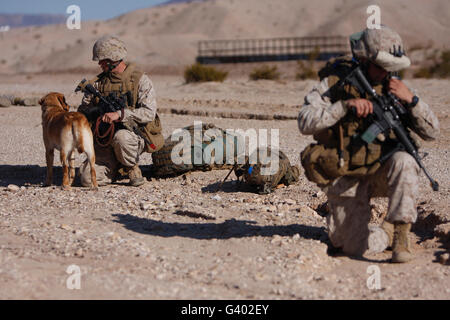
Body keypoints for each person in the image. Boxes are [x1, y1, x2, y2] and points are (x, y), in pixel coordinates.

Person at [297, 26, 440, 263]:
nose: (386, 73)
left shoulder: (396, 89)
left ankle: (401, 236)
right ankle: (385, 233)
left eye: (391, 68)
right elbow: (305, 121)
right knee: (350, 248)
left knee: (405, 160)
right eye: (380, 67)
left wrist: (412, 101)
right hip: (346, 175)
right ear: (363, 59)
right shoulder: (335, 84)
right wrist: (344, 107)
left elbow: (432, 132)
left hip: (380, 172)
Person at [77, 35, 164, 187]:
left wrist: (120, 115)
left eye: (102, 61)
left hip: (132, 136)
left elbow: (148, 112)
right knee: (86, 179)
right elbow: (82, 113)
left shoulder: (139, 80)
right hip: (104, 140)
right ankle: (114, 167)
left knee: (122, 137)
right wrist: (95, 112)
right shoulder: (96, 84)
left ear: (112, 59)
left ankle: (131, 167)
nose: (99, 64)